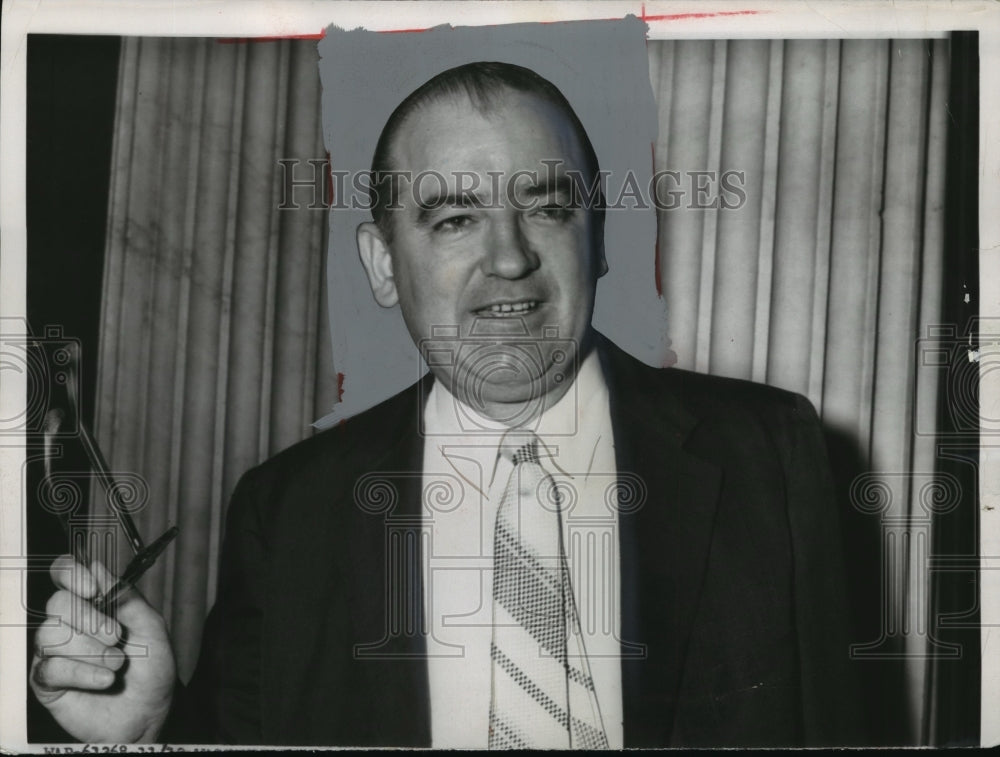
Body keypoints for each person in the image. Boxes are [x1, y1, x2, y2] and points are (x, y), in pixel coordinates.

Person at [30, 61, 864, 748]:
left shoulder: (771, 452)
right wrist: (151, 729)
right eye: (456, 218)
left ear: (599, 235)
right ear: (384, 263)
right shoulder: (287, 512)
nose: (509, 258)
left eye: (546, 207)